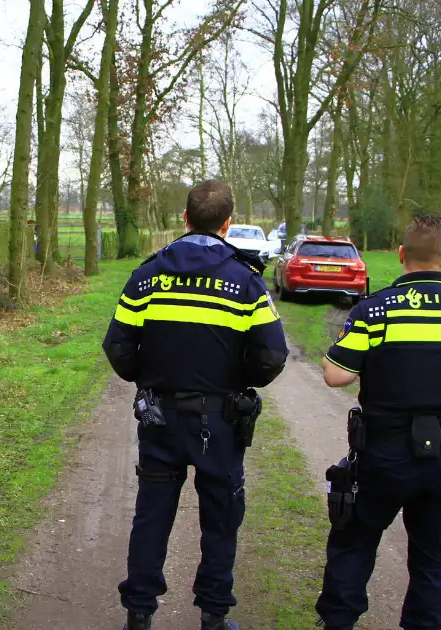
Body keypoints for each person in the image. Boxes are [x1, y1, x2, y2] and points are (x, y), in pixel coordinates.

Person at [315, 215, 441, 630]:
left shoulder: (375, 311)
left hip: (384, 456)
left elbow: (337, 374)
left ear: (401, 254)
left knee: (354, 545)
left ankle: (338, 622)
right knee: (432, 565)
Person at [102, 179, 289, 630]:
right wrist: (238, 382)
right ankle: (213, 615)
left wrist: (148, 378)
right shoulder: (246, 282)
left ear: (184, 219)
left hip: (159, 418)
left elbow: (118, 346)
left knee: (152, 516)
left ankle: (139, 614)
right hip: (220, 420)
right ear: (227, 224)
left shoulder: (147, 276)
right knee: (221, 520)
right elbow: (272, 355)